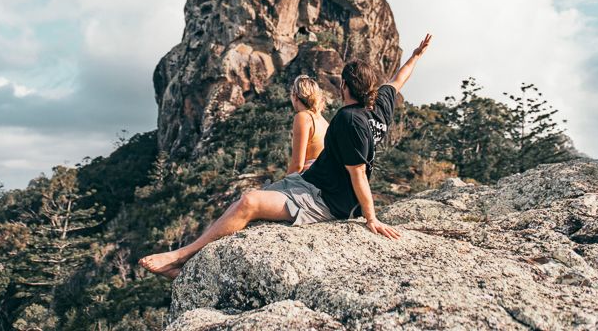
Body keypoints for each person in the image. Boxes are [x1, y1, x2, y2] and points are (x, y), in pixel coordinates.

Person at [138, 33, 433, 279]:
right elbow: (398, 80)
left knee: (249, 202)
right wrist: (416, 56)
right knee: (243, 201)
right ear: (371, 87)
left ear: (344, 86)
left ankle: (180, 258)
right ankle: (190, 264)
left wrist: (371, 218)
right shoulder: (379, 106)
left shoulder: (349, 119)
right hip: (311, 182)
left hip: (324, 200)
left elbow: (358, 174)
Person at [287, 74, 329, 174]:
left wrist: (283, 183)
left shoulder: (303, 117)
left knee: (256, 190)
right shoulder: (323, 121)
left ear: (295, 96)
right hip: (326, 177)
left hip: (311, 178)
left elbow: (297, 164)